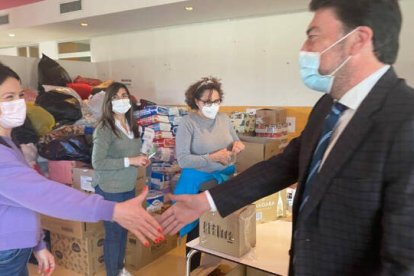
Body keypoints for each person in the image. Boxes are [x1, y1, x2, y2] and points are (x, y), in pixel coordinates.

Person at [160, 0, 414, 275]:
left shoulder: (404, 120)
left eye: (313, 36)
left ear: (358, 40)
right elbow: (283, 166)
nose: (304, 50)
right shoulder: (327, 106)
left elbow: (404, 259)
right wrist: (206, 201)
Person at [0, 64, 163, 276]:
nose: (19, 103)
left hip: (16, 249)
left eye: (20, 95)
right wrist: (112, 209)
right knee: (114, 234)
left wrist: (38, 245)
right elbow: (43, 194)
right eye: (8, 97)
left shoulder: (8, 142)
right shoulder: (104, 129)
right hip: (6, 253)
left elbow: (24, 202)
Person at [174, 76, 245, 270]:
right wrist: (211, 157)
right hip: (199, 186)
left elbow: (233, 144)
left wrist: (236, 148)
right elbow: (183, 159)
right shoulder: (188, 123)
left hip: (223, 182)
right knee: (196, 232)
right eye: (207, 102)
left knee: (219, 229)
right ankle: (193, 270)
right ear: (196, 101)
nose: (213, 106)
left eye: (216, 101)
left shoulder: (224, 119)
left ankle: (214, 268)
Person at [91, 82, 153, 276]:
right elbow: (98, 162)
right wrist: (130, 160)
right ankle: (113, 272)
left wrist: (142, 157)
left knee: (125, 229)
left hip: (127, 185)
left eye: (124, 95)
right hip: (110, 188)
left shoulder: (131, 126)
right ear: (108, 102)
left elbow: (131, 155)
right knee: (114, 234)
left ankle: (119, 269)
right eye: (115, 97)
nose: (121, 100)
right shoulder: (104, 128)